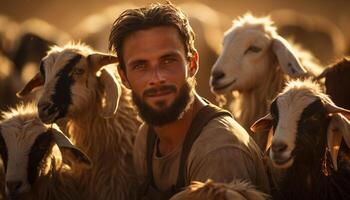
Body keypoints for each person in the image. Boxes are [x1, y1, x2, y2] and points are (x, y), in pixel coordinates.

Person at [108, 2, 270, 199]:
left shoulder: (220, 151)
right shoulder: (147, 137)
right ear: (123, 77)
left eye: (168, 61)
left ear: (192, 64)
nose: (157, 78)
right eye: (140, 66)